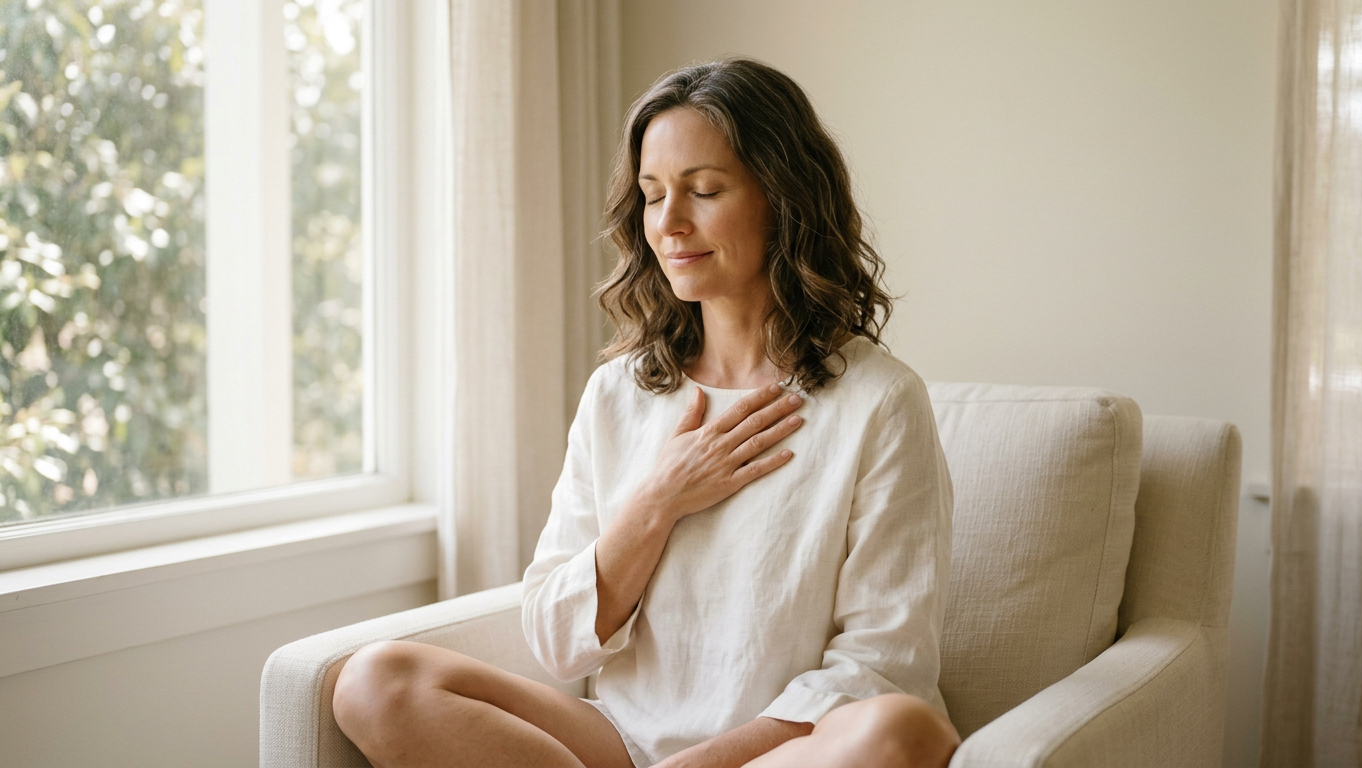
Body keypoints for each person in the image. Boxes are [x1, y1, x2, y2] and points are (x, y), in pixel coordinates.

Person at [332, 57, 959, 768]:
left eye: (705, 190)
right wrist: (658, 501)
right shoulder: (619, 393)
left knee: (900, 731)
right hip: (624, 745)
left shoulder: (879, 401)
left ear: (784, 199)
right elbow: (557, 639)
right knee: (374, 681)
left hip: (779, 754)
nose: (670, 224)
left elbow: (883, 666)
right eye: (653, 194)